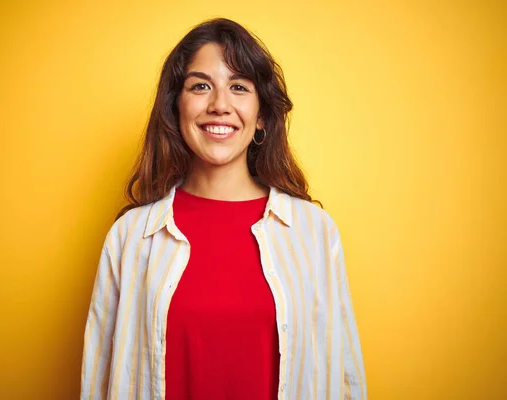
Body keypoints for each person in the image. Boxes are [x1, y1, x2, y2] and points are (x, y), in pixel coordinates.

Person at [80, 18, 366, 400]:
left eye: (239, 87)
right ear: (175, 107)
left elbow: (342, 376)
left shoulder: (314, 232)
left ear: (262, 115)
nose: (219, 105)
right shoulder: (131, 237)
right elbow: (98, 381)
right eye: (200, 86)